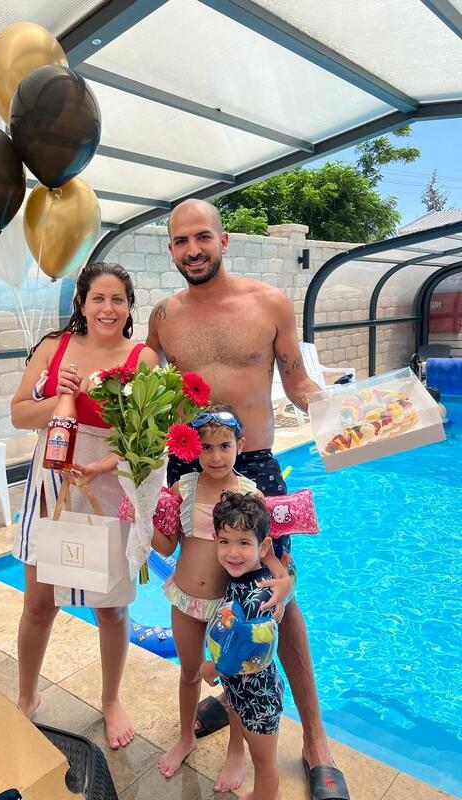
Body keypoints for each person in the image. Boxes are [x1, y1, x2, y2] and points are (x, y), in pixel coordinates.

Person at [146, 198, 350, 799]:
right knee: (206, 590)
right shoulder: (164, 316)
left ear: (224, 240)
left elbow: (297, 380)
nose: (193, 250)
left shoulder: (269, 304)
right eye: (181, 241)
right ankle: (227, 684)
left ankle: (315, 739)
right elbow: (138, 380)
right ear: (171, 249)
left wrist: (355, 413)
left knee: (275, 595)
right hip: (188, 464)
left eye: (202, 237)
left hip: (255, 466)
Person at [11, 261, 158, 749]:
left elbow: (147, 442)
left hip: (107, 488)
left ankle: (111, 700)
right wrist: (59, 397)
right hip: (52, 486)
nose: (108, 308)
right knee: (39, 604)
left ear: (130, 307)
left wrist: (104, 464)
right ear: (81, 302)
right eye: (98, 298)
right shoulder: (54, 348)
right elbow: (18, 413)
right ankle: (27, 696)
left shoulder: (142, 359)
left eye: (118, 299)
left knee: (110, 609)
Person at [151, 406, 293, 788]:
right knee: (189, 671)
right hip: (185, 599)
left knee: (234, 682)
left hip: (228, 608)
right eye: (207, 447)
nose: (216, 456)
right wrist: (139, 516)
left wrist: (285, 584)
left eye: (225, 446)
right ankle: (186, 737)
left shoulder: (250, 493)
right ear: (194, 449)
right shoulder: (183, 488)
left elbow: (268, 554)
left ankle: (236, 751)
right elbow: (166, 545)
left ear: (240, 445)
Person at [201, 491, 286, 800]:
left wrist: (212, 667)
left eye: (243, 543)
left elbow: (245, 649)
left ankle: (268, 795)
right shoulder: (243, 580)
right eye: (225, 541)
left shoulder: (258, 595)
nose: (233, 552)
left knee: (265, 766)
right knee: (260, 758)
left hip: (258, 698)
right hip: (243, 692)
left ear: (262, 547)